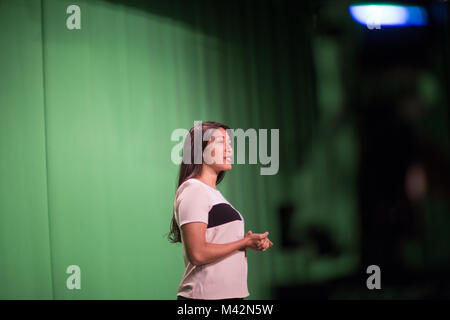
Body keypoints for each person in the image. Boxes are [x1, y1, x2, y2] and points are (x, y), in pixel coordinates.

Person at [168, 121, 273, 300]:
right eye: (220, 142)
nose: (229, 149)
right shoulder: (194, 189)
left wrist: (249, 241)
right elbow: (198, 253)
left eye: (230, 144)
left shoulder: (213, 193)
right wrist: (243, 242)